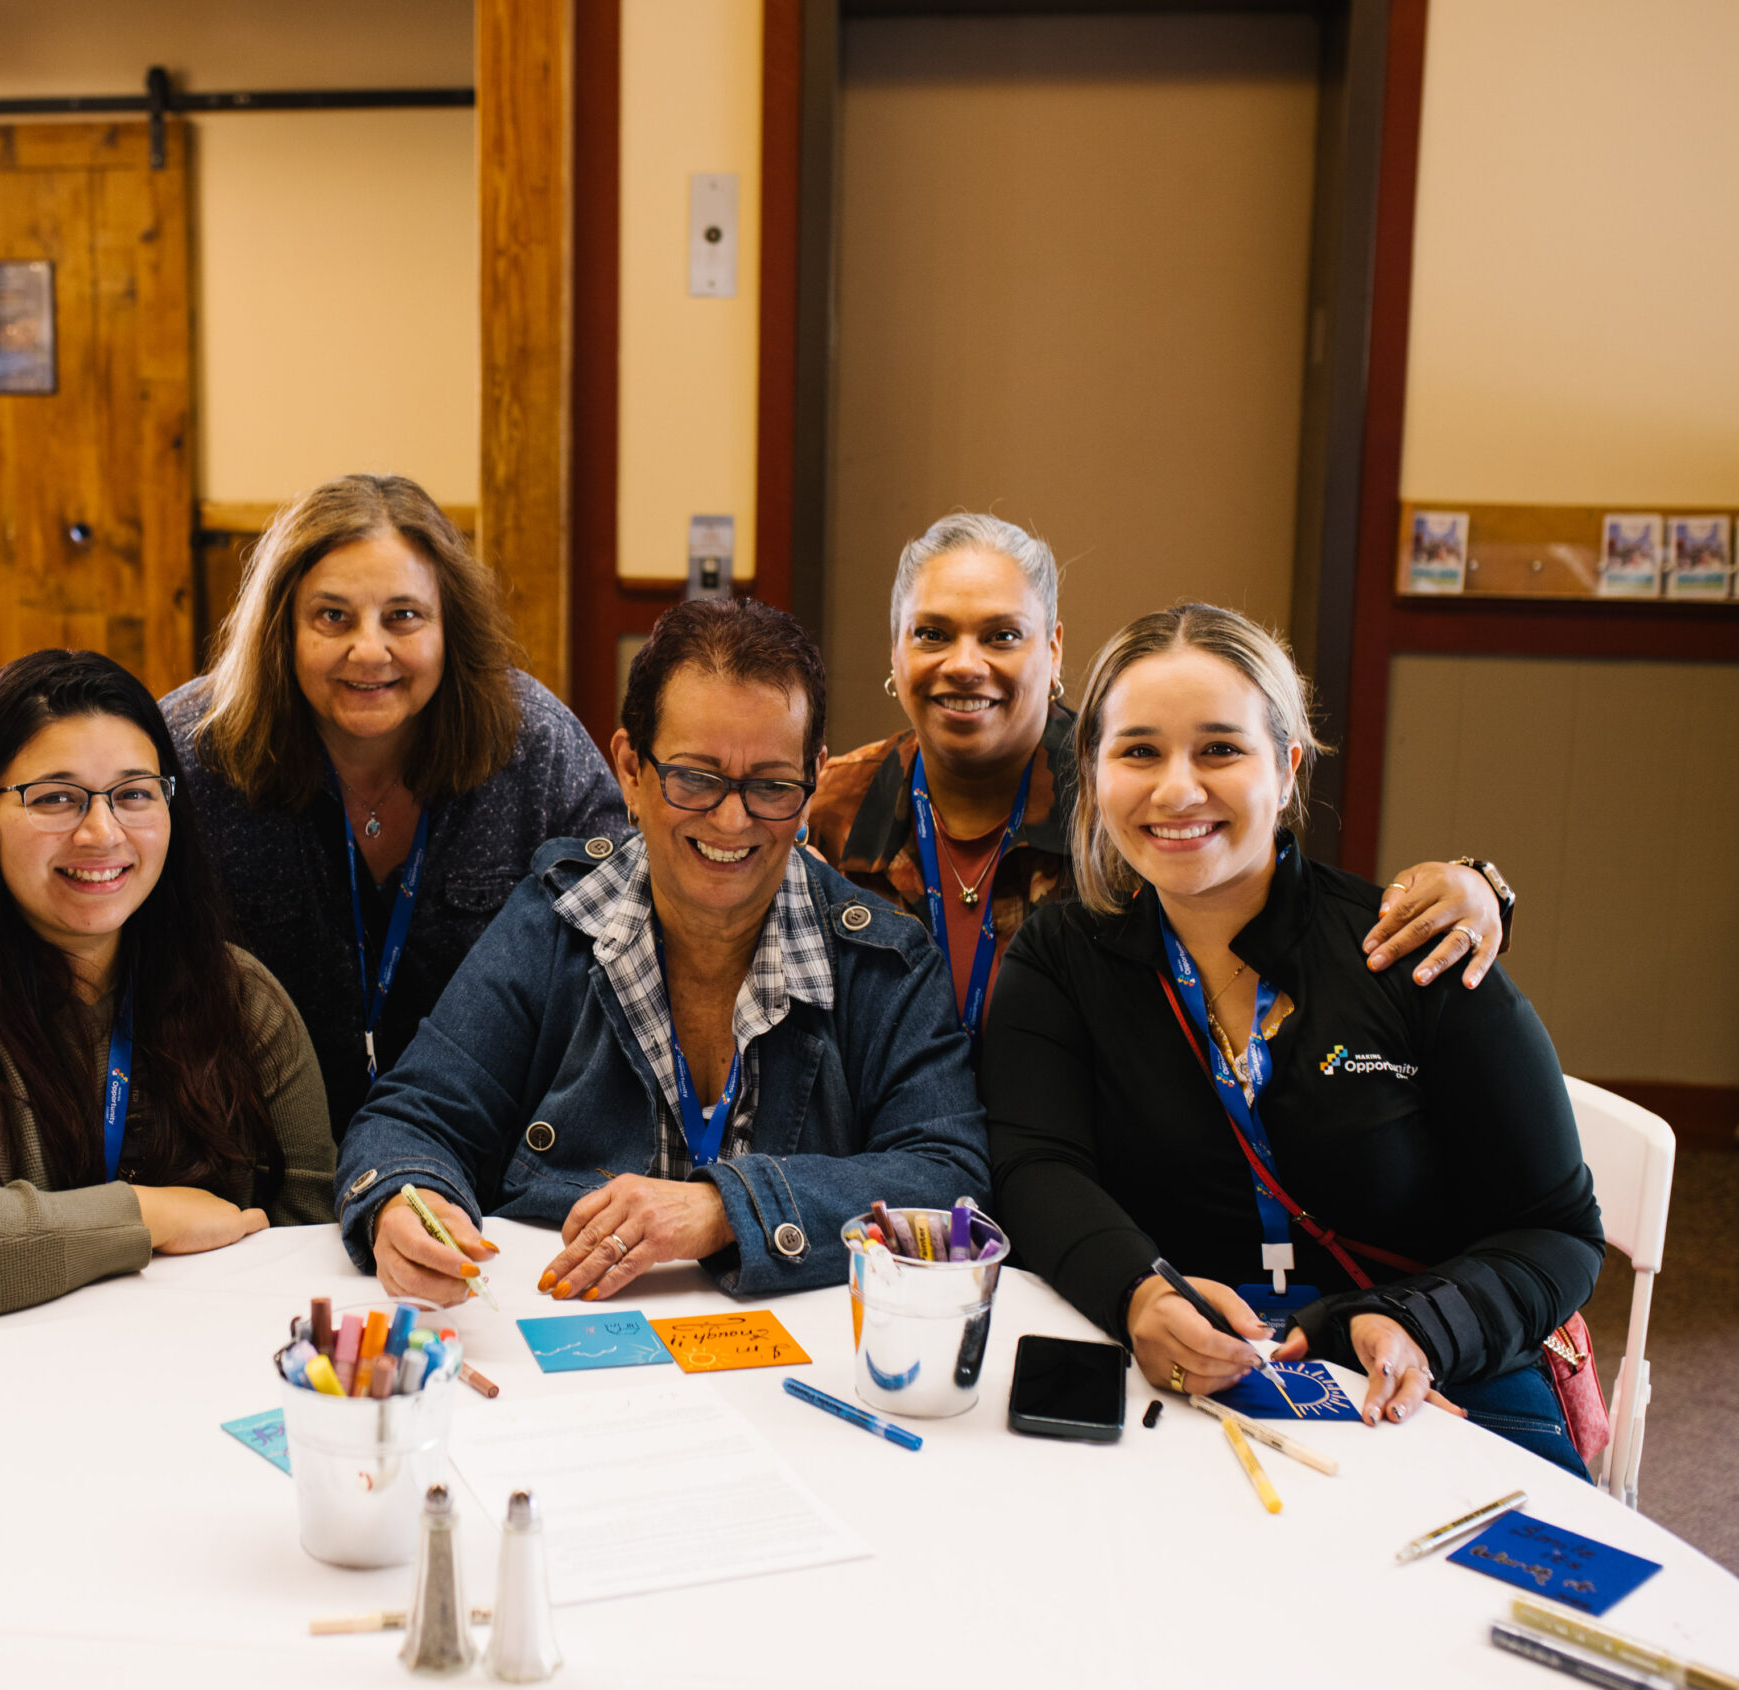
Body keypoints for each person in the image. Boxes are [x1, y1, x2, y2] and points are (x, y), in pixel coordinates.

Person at [981, 604, 1601, 1473]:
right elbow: (1035, 1169)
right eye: (1139, 751)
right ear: (1093, 771)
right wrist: (1134, 1293)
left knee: (1509, 1603)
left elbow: (1558, 1229)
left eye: (1221, 749)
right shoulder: (1061, 955)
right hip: (1187, 1375)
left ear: (1288, 765)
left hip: (1428, 1369)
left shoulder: (1412, 948)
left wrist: (1421, 1322)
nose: (1177, 790)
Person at [338, 598, 989, 1305]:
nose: (732, 820)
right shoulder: (554, 923)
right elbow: (411, 1120)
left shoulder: (886, 964)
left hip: (806, 1376)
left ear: (812, 785)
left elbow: (949, 1181)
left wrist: (724, 1207)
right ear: (630, 771)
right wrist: (406, 1200)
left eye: (771, 786)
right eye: (696, 778)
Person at [807, 512, 1515, 1043]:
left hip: (1097, 1160)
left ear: (1054, 653)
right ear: (895, 651)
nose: (965, 663)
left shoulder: (1130, 798)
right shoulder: (829, 806)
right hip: (893, 1172)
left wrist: (1475, 888)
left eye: (1002, 636)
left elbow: (1283, 904)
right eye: (932, 633)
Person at [0, 650, 337, 1326]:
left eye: (134, 793)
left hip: (202, 1377)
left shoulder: (239, 995)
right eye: (55, 797)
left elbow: (309, 1237)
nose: (100, 832)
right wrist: (147, 1215)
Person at [162, 475, 626, 1140]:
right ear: (282, 629)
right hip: (252, 1163)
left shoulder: (534, 746)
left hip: (481, 1158)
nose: (369, 650)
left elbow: (623, 935)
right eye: (333, 617)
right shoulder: (192, 749)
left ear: (448, 627)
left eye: (403, 616)